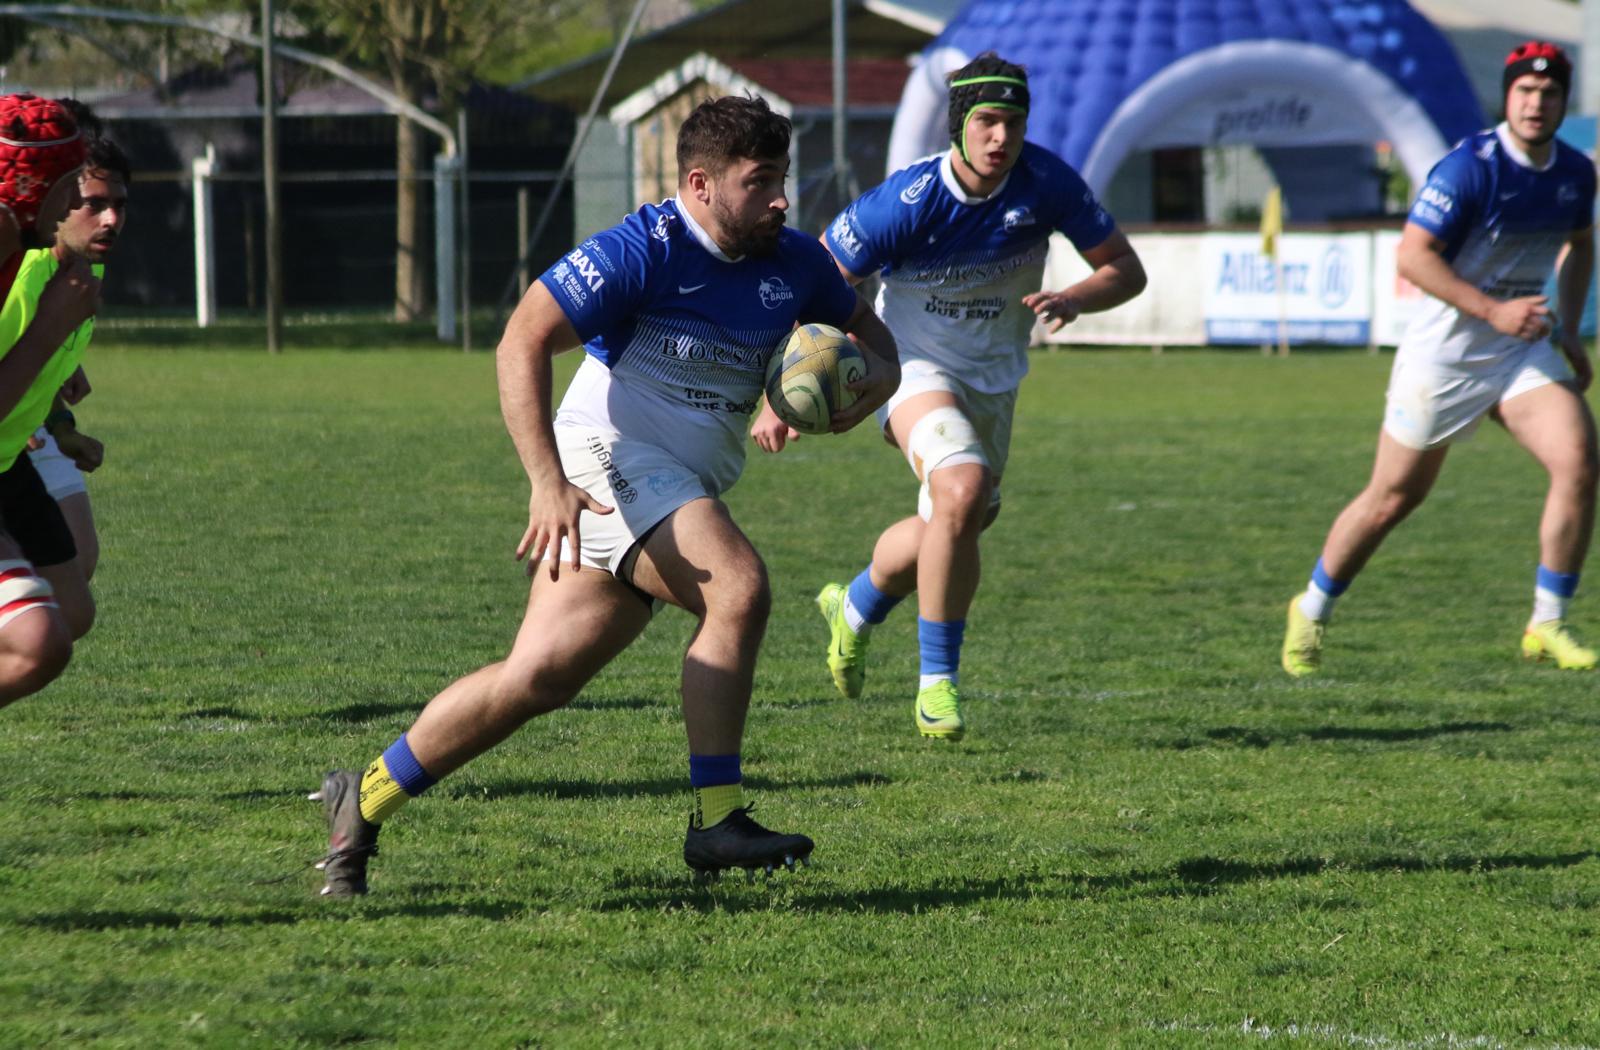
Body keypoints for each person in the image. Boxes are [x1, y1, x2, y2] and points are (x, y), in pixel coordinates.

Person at [312, 94, 900, 896]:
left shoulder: (794, 262)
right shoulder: (641, 249)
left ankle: (363, 798)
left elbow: (879, 344)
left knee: (538, 679)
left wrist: (858, 395)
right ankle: (717, 820)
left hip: (666, 485)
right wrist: (545, 481)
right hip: (603, 459)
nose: (780, 200)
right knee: (737, 589)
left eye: (782, 179)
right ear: (700, 184)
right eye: (760, 182)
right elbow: (521, 338)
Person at [759, 53, 1145, 740]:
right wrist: (781, 392)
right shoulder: (905, 202)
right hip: (909, 366)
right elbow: (816, 278)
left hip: (996, 379)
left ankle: (854, 605)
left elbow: (1125, 269)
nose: (1001, 137)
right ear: (959, 124)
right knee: (961, 491)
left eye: (1014, 123)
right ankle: (937, 684)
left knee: (957, 523)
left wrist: (1075, 297)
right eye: (987, 121)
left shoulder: (1047, 182)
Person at [1282, 41, 1597, 676]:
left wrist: (1566, 328)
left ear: (1564, 102)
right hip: (1445, 356)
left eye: (1549, 93)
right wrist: (1493, 311)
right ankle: (1311, 608)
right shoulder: (1470, 168)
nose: (1536, 103)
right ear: (1507, 97)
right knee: (1392, 498)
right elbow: (1412, 256)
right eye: (1525, 91)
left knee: (1580, 462)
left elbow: (1582, 243)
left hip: (1520, 350)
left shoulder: (1574, 173)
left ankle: (1547, 622)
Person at [0, 93, 101, 709]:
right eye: (68, 189)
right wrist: (49, 330)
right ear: (31, 186)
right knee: (35, 641)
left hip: (7, 462)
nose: (74, 208)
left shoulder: (22, 252)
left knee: (65, 614)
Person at [23, 129, 130, 637]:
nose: (111, 219)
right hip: (12, 438)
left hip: (28, 433)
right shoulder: (24, 269)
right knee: (40, 626)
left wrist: (62, 427)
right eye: (95, 204)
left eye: (119, 205)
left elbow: (39, 365)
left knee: (74, 590)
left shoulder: (87, 269)